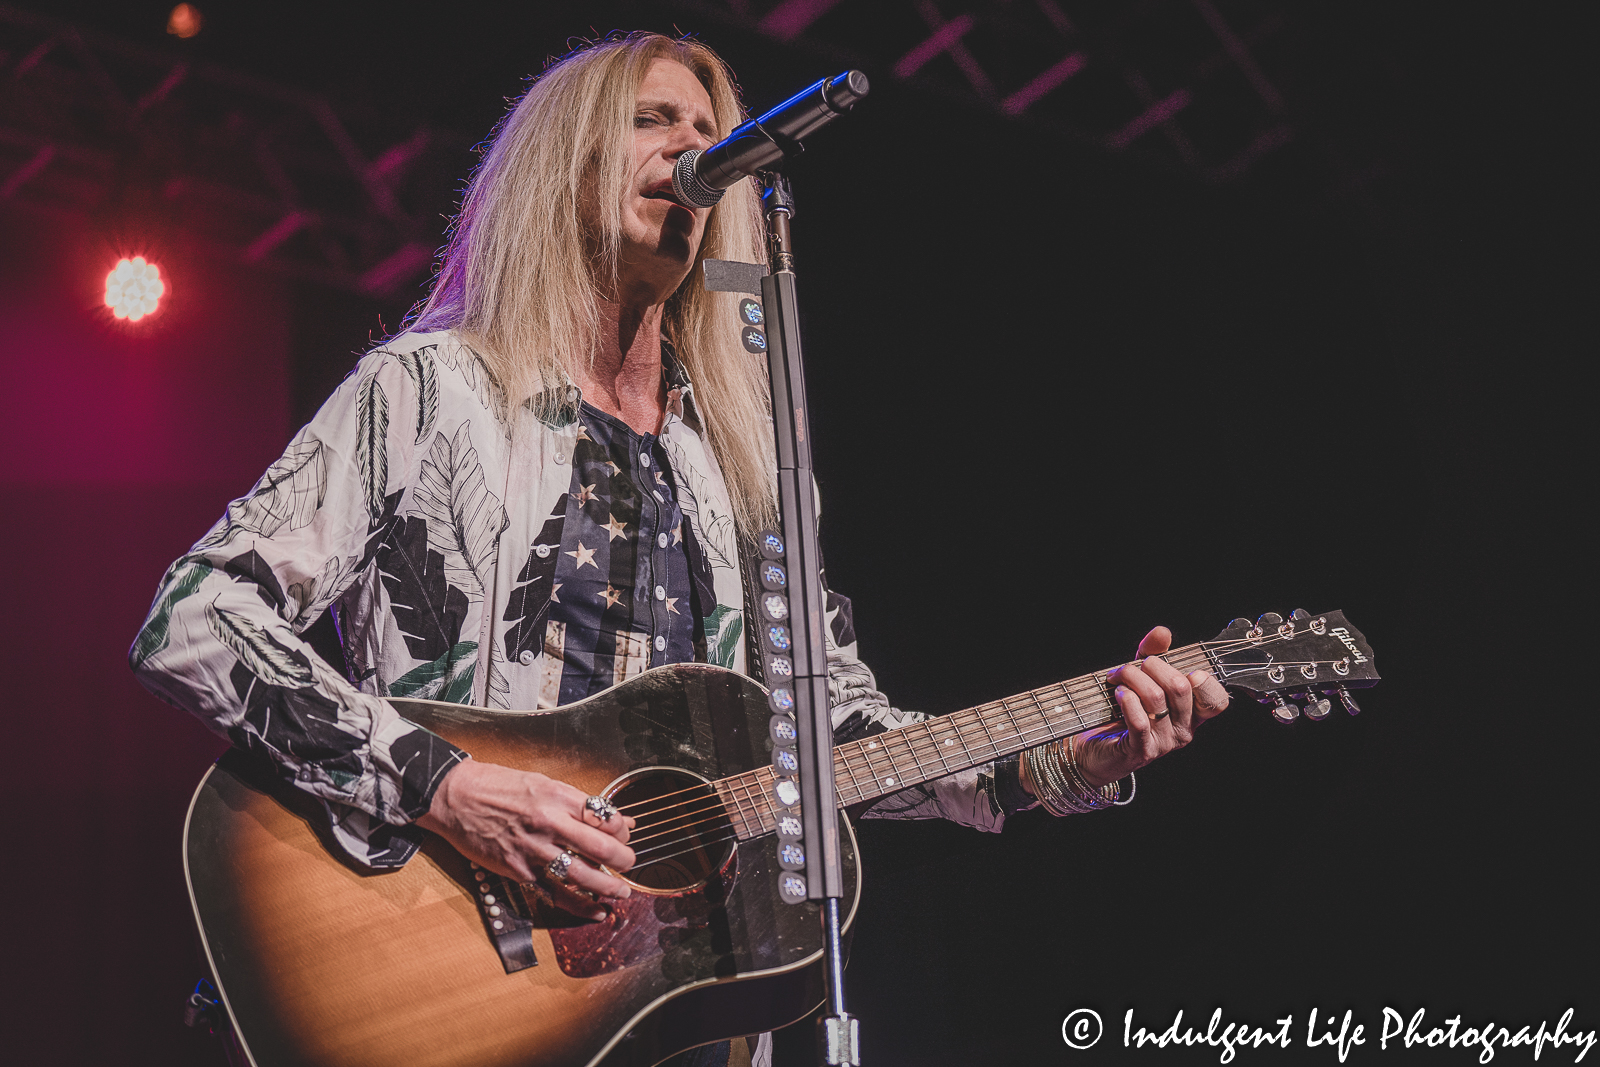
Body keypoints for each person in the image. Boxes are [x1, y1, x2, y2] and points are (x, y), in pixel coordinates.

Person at [131, 31, 1230, 1067]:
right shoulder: (425, 391)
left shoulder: (749, 469)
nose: (693, 149)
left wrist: (1067, 758)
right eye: (654, 120)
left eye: (705, 127)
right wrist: (445, 784)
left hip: (672, 1017)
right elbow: (193, 615)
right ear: (563, 166)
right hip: (425, 963)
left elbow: (831, 732)